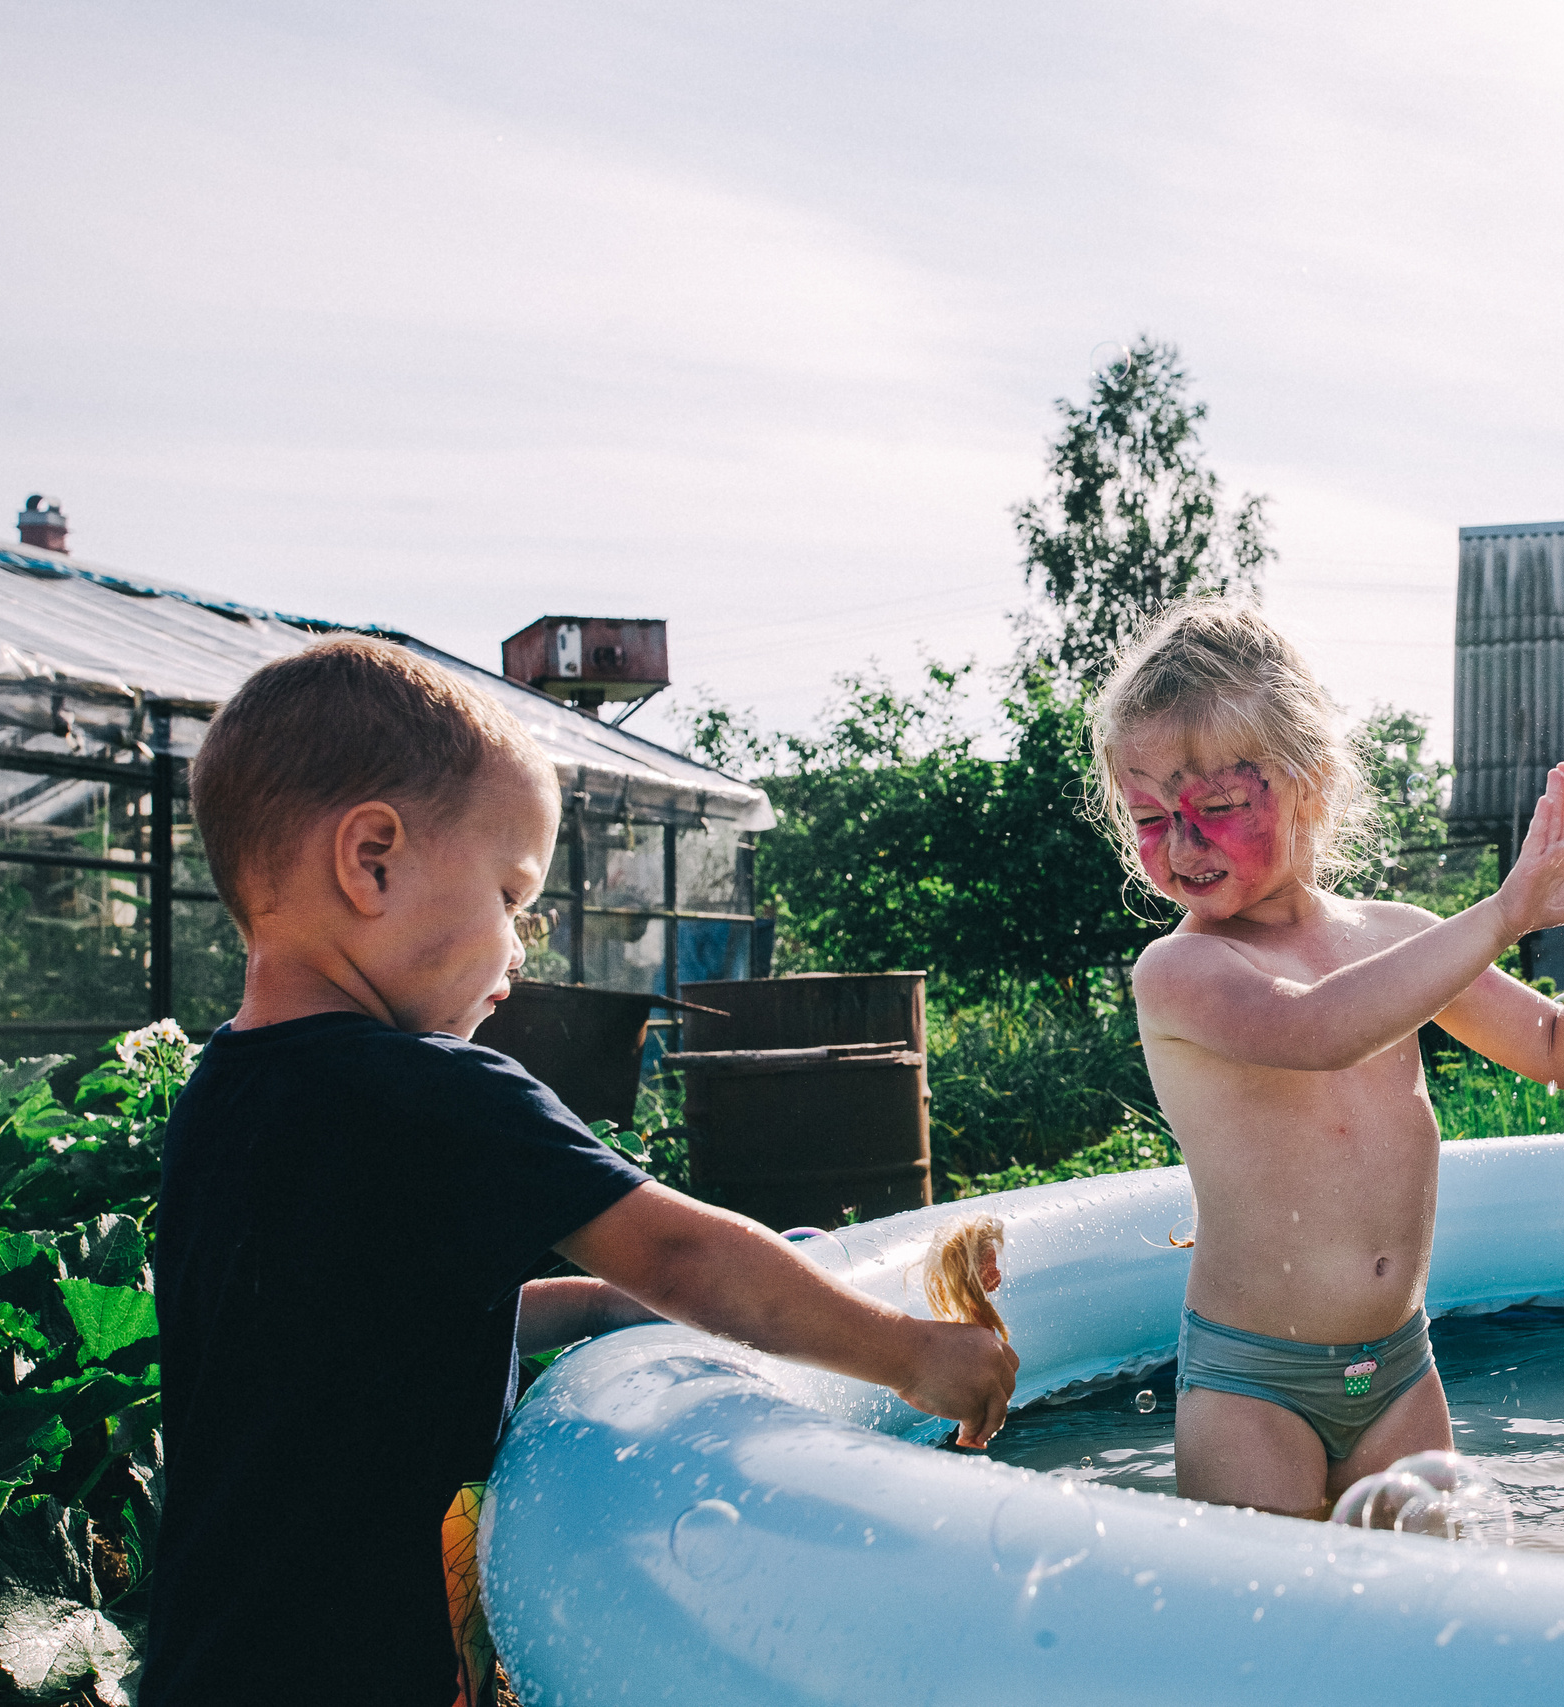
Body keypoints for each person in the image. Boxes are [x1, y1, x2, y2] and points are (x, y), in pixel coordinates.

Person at [149, 637, 1018, 1706]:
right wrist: (909, 1354)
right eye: (511, 895)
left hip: (211, 1656)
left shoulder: (220, 1096)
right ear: (372, 859)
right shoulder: (435, 1090)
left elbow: (351, 1325)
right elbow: (683, 1254)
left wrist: (597, 1303)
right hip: (355, 1670)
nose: (520, 950)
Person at [1092, 602, 1564, 1519]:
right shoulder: (1182, 970)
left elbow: (1562, 1048)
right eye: (1151, 818)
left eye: (1219, 808)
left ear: (1311, 784)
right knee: (1282, 1609)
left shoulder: (1395, 936)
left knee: (1426, 1600)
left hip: (1398, 1373)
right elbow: (1321, 1029)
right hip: (1254, 1387)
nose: (1183, 845)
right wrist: (1502, 915)